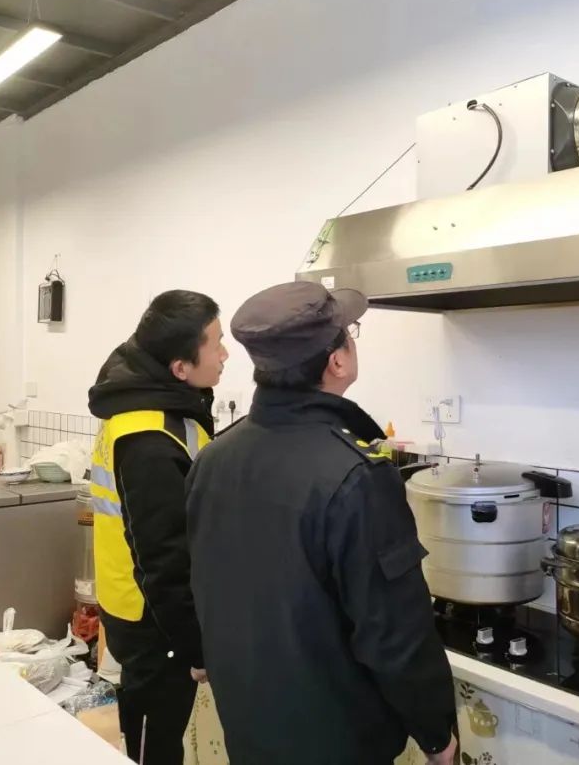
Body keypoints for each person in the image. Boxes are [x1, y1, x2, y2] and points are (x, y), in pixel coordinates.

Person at [185, 281, 457, 765]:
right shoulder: (356, 476)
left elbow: (206, 585)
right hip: (338, 743)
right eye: (351, 333)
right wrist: (437, 734)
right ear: (337, 362)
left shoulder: (214, 458)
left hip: (248, 728)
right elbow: (394, 633)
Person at [87, 290, 228, 765]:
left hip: (140, 606)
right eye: (216, 343)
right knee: (155, 746)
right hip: (153, 621)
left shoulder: (155, 405)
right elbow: (164, 559)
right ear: (180, 367)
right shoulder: (148, 437)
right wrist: (195, 647)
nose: (225, 354)